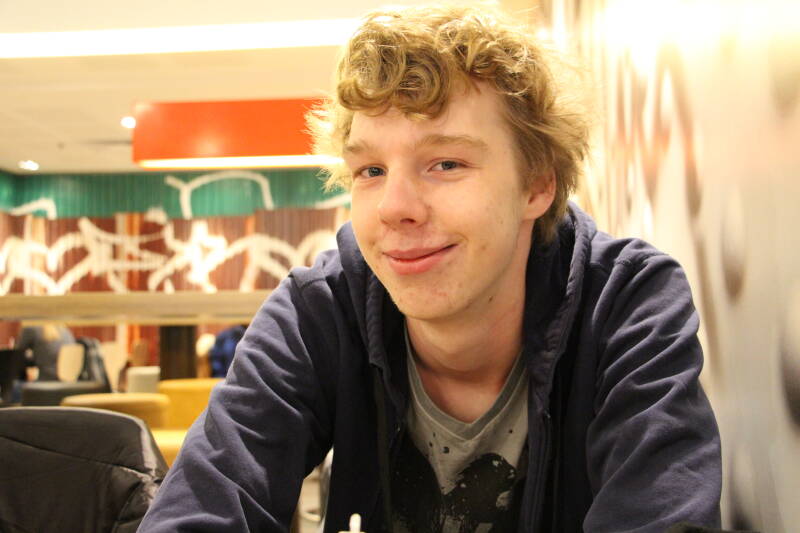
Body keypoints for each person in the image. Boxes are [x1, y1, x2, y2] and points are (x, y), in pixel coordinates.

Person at [139, 5, 721, 532]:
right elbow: (200, 508)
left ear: (538, 185)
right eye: (370, 171)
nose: (394, 208)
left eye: (445, 163)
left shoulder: (627, 305)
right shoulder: (320, 308)